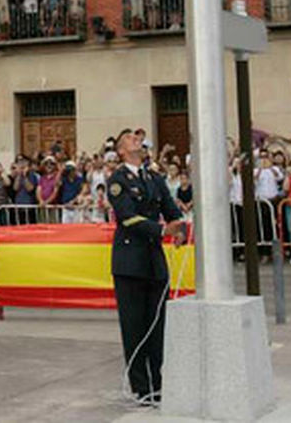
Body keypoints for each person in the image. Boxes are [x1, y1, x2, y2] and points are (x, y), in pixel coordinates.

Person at [106, 129, 184, 407]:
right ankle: (141, 388)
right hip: (130, 262)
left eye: (138, 137)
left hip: (154, 261)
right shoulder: (117, 180)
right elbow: (127, 218)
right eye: (129, 138)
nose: (136, 140)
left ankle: (159, 385)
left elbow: (171, 210)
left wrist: (179, 228)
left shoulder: (154, 178)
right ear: (121, 151)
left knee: (157, 326)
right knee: (134, 327)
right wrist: (162, 230)